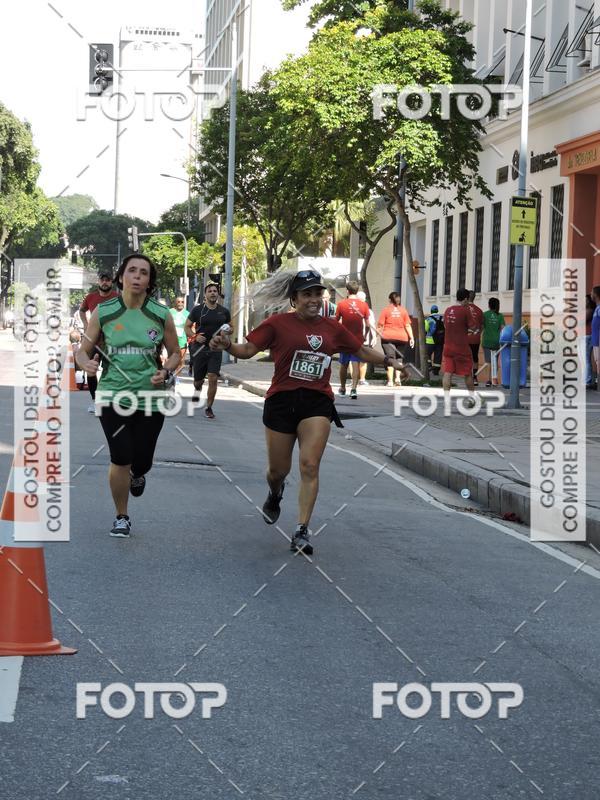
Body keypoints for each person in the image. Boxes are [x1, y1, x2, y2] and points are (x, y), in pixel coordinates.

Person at [209, 269, 405, 555]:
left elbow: (361, 351)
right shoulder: (276, 324)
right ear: (294, 299)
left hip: (317, 402)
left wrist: (390, 360)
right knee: (278, 471)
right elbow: (248, 349)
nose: (314, 299)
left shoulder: (332, 327)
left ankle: (302, 529)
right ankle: (275, 493)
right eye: (307, 294)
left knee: (310, 465)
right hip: (281, 402)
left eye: (318, 293)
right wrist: (228, 345)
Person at [75, 254, 180, 538]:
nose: (137, 276)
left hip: (150, 398)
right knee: (120, 456)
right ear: (121, 277)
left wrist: (167, 371)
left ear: (149, 281)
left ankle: (139, 473)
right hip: (112, 396)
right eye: (131, 271)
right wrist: (84, 362)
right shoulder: (105, 311)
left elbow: (175, 354)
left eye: (143, 272)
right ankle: (122, 516)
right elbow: (81, 348)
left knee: (141, 460)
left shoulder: (160, 314)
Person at [184, 283, 231, 419]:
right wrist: (195, 336)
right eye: (210, 291)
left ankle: (209, 407)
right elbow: (186, 327)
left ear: (218, 294)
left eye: (215, 291)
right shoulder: (198, 310)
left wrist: (227, 330)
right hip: (199, 349)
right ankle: (197, 389)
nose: (213, 293)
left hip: (215, 349)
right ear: (205, 294)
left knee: (213, 377)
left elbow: (231, 326)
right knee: (198, 381)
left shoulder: (224, 311)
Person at [80, 270, 119, 413]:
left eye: (108, 280)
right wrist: (86, 324)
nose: (105, 282)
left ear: (111, 282)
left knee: (109, 371)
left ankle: (107, 401)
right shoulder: (90, 297)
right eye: (102, 280)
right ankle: (95, 401)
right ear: (98, 281)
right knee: (91, 370)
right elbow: (82, 310)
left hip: (112, 340)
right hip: (93, 340)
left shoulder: (118, 297)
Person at [442, 288, 478, 405]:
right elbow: (473, 327)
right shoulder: (465, 311)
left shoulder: (448, 310)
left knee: (448, 372)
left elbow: (446, 325)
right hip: (461, 347)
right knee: (468, 373)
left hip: (448, 347)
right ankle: (472, 399)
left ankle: (446, 399)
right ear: (466, 299)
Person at [335, 280, 370, 399]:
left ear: (347, 290)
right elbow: (368, 325)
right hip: (358, 339)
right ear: (357, 290)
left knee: (343, 364)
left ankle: (343, 387)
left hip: (345, 339)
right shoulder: (364, 305)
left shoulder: (341, 304)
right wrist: (365, 335)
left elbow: (335, 322)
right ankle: (354, 389)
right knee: (356, 363)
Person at [377, 292, 414, 387]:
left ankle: (390, 381)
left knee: (390, 359)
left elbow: (380, 325)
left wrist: (376, 335)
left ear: (389, 300)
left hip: (388, 337)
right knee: (399, 359)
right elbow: (407, 325)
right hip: (402, 338)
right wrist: (412, 338)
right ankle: (398, 379)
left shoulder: (385, 310)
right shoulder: (403, 311)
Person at [481, 298, 505, 387]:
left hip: (487, 341)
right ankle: (494, 380)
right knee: (495, 361)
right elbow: (503, 328)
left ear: (489, 305)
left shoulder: (485, 315)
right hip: (496, 341)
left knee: (488, 361)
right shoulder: (500, 316)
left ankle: (488, 380)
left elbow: (482, 327)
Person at [356, 290, 377, 385]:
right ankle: (362, 379)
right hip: (365, 339)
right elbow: (371, 325)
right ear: (364, 300)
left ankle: (354, 379)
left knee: (353, 359)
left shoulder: (352, 308)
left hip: (354, 338)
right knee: (363, 360)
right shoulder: (369, 311)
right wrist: (374, 337)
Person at [169, 296, 190, 378]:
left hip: (182, 339)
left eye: (182, 302)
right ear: (175, 303)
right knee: (171, 359)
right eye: (178, 302)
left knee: (181, 361)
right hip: (171, 338)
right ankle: (170, 376)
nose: (180, 304)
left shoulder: (187, 313)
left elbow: (191, 326)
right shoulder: (170, 312)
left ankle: (176, 377)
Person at [466, 290, 484, 386]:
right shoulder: (479, 310)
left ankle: (467, 376)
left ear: (467, 297)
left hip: (465, 338)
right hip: (476, 338)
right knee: (475, 357)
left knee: (466, 357)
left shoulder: (463, 308)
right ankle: (475, 377)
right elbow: (482, 325)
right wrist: (478, 333)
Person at [424, 304, 444, 376]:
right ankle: (436, 371)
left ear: (431, 311)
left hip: (430, 340)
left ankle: (429, 366)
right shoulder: (442, 318)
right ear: (437, 310)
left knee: (427, 354)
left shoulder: (428, 319)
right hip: (440, 340)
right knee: (438, 355)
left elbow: (426, 329)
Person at [581, 294, 595, 390]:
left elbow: (581, 321)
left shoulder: (589, 310)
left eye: (586, 300)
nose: (584, 302)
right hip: (582, 335)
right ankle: (584, 380)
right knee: (582, 360)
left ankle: (587, 381)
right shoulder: (584, 310)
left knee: (585, 359)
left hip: (587, 335)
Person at [591, 286, 600, 390]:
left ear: (596, 295)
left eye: (592, 293)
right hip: (595, 340)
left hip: (598, 340)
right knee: (597, 361)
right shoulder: (597, 308)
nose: (591, 294)